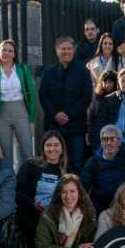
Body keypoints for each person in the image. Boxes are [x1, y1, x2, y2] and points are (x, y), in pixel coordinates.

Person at [39, 37, 93, 169]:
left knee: (76, 163)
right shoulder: (48, 72)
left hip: (76, 126)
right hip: (53, 125)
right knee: (53, 163)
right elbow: (43, 96)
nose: (66, 52)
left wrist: (68, 114)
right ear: (57, 51)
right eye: (63, 49)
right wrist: (55, 114)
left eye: (69, 48)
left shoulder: (83, 71)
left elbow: (86, 97)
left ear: (73, 50)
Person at [0, 39, 37, 169]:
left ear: (14, 54)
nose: (7, 53)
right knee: (6, 153)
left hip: (21, 112)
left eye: (10, 51)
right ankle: (9, 184)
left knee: (27, 151)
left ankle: (27, 181)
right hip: (2, 115)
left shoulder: (22, 69)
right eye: (4, 50)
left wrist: (31, 116)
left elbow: (31, 92)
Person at [15, 131, 69, 244]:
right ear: (43, 148)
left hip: (57, 216)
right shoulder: (30, 166)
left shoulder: (67, 171)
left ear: (62, 148)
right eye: (48, 145)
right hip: (32, 215)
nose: (52, 149)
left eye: (56, 145)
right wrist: (34, 205)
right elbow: (18, 193)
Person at [81, 125, 125, 213]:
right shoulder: (93, 162)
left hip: (123, 206)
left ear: (119, 141)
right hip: (99, 207)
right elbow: (82, 187)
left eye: (112, 139)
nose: (108, 143)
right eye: (104, 139)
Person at [91, 70, 125, 151]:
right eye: (123, 81)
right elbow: (100, 123)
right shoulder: (109, 99)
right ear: (118, 83)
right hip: (110, 141)